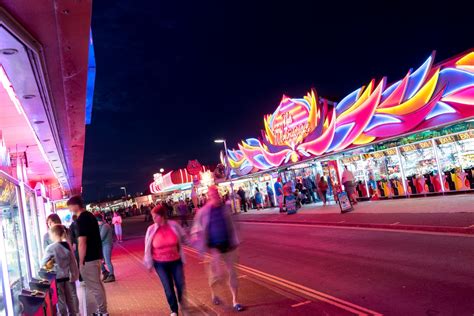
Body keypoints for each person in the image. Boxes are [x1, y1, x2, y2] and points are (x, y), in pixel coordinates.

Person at [191, 185, 244, 312]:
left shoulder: (226, 208)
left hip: (229, 246)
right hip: (214, 249)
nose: (215, 196)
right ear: (208, 197)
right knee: (216, 276)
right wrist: (198, 240)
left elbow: (234, 224)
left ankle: (235, 301)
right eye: (212, 194)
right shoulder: (204, 211)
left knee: (232, 274)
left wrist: (237, 239)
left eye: (216, 194)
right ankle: (214, 294)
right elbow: (196, 228)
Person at [67, 196, 108, 316]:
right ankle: (102, 310)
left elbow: (82, 242)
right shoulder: (90, 216)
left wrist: (80, 262)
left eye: (69, 206)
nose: (69, 209)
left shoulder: (82, 219)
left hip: (88, 259)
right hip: (95, 256)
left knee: (95, 287)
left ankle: (103, 312)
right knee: (98, 285)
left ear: (75, 205)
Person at [144, 205, 187, 316]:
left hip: (176, 260)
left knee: (180, 284)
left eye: (155, 216)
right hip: (160, 263)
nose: (153, 219)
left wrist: (192, 238)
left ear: (162, 216)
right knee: (168, 287)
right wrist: (148, 263)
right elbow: (147, 247)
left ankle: (182, 302)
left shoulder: (173, 225)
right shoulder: (151, 229)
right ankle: (174, 310)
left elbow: (183, 236)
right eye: (152, 217)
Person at [41, 224, 79, 316]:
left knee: (61, 300)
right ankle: (73, 314)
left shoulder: (50, 248)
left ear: (54, 234)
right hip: (67, 277)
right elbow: (72, 262)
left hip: (57, 278)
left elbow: (43, 264)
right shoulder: (67, 245)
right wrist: (74, 275)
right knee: (70, 299)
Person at [97, 215, 115, 283]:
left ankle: (111, 275)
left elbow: (101, 237)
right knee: (99, 260)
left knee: (107, 261)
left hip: (107, 245)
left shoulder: (105, 226)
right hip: (103, 245)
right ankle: (105, 272)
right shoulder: (101, 226)